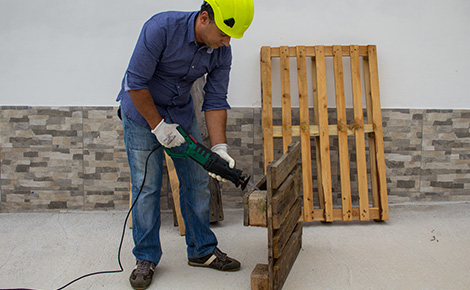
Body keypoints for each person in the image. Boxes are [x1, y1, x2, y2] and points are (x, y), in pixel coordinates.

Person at [116, 0, 254, 289]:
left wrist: (219, 148)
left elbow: (215, 99)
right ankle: (146, 258)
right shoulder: (161, 29)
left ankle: (201, 250)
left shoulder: (221, 51)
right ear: (204, 18)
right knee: (147, 186)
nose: (227, 43)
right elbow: (136, 83)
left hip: (180, 112)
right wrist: (157, 126)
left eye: (231, 38)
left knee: (197, 182)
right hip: (142, 114)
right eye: (224, 34)